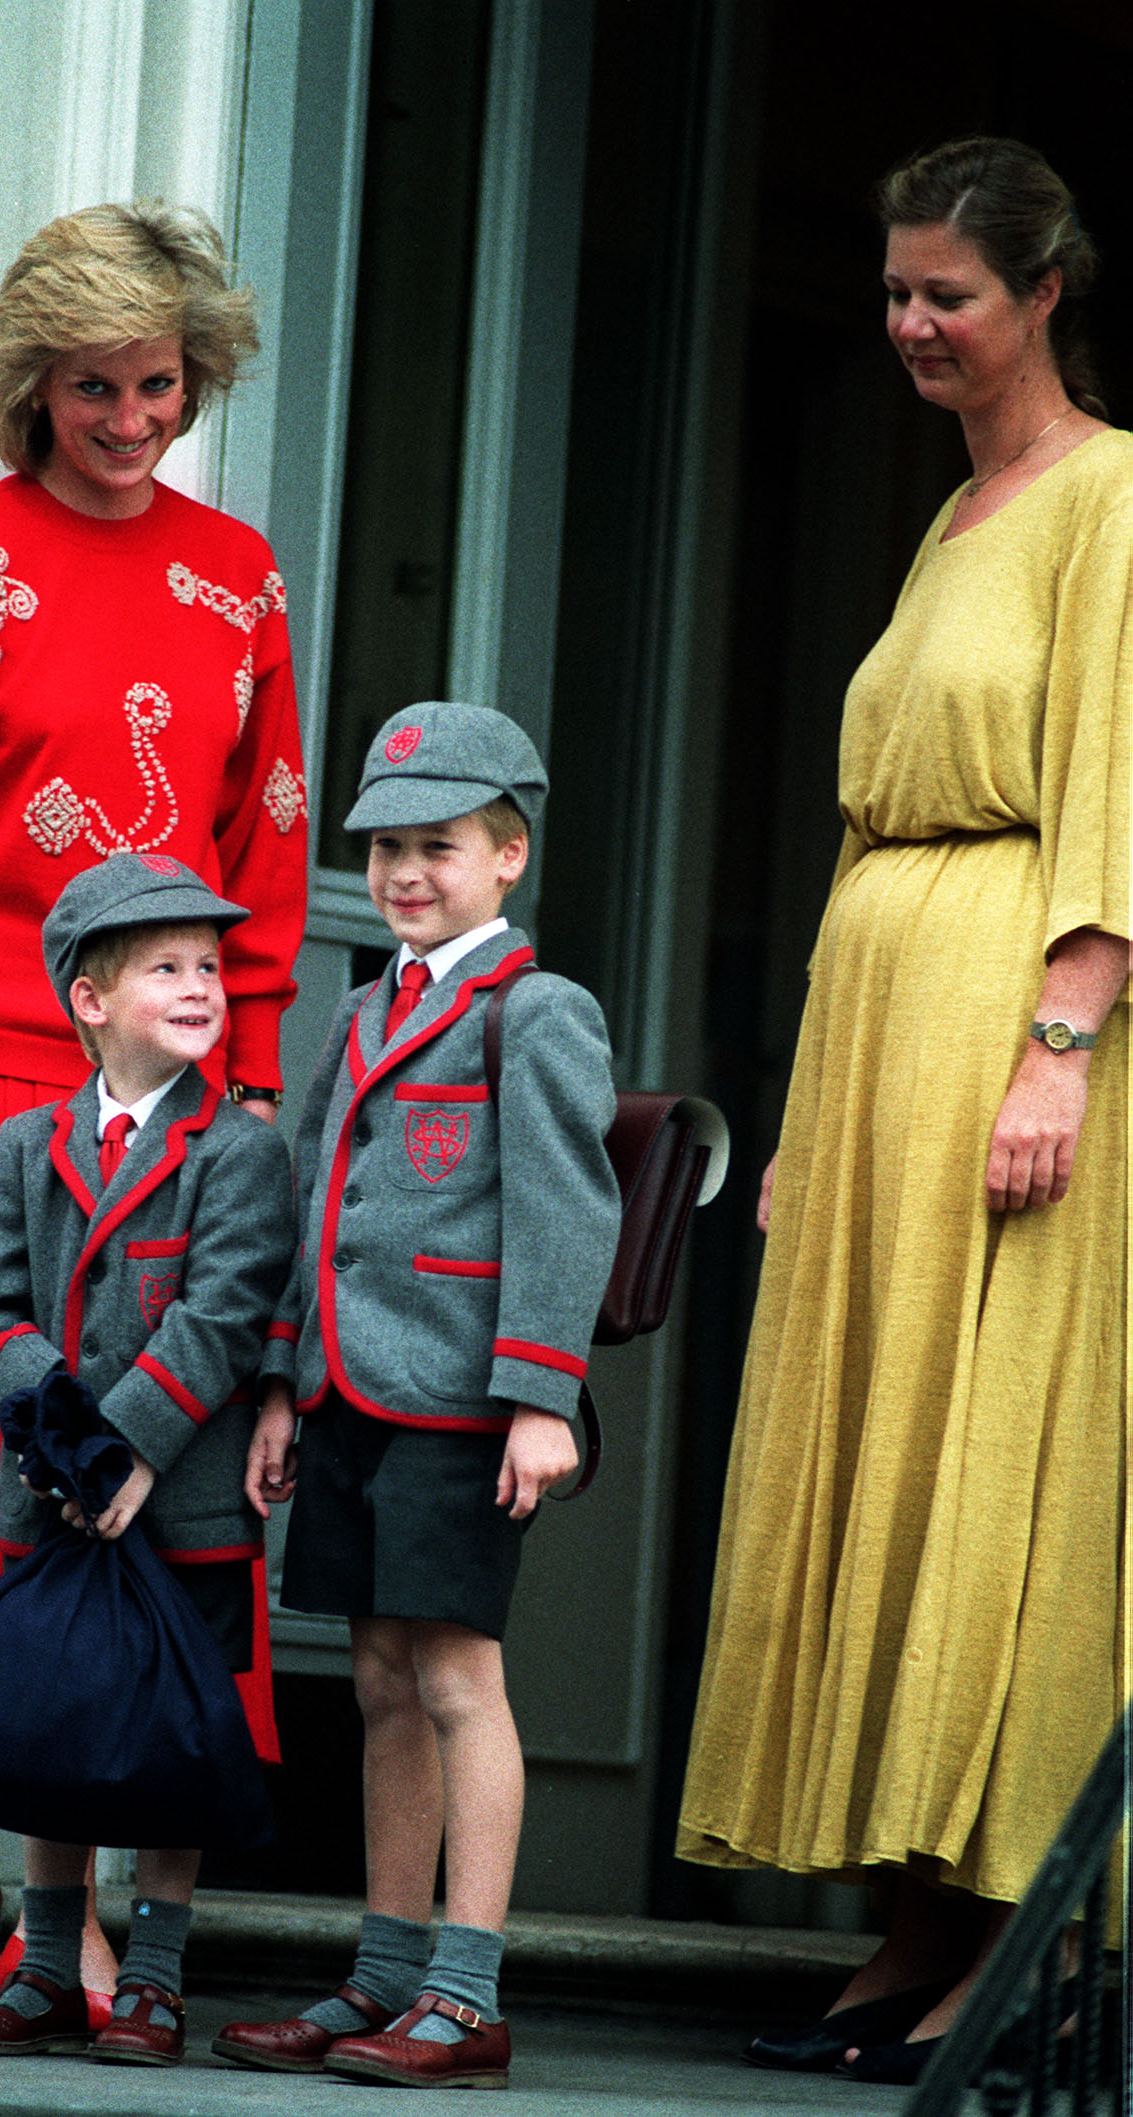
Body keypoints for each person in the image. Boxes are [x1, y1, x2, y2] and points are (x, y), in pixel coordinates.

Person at [0, 202, 306, 2019]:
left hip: (172, 1094)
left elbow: (261, 849)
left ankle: (110, 1906)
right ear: (32, 385)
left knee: (150, 1484)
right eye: (92, 387)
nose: (127, 420)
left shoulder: (237, 577)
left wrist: (241, 1086)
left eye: (157, 385)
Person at [677, 137, 1130, 2086]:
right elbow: (874, 816)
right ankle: (901, 1924)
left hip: (1001, 1015)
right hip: (878, 1033)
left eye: (943, 291)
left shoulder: (1108, 495)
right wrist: (799, 1110)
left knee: (982, 1462)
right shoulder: (952, 515)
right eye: (889, 294)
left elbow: (1115, 771)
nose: (907, 325)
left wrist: (1058, 1035)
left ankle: (1002, 1942)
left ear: (1039, 293)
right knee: (876, 1455)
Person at [213, 703, 623, 2089]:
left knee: (455, 1675)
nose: (402, 873)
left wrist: (541, 1395)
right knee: (379, 1679)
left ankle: (465, 1988)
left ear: (507, 857)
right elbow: (304, 1201)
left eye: (436, 847)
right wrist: (278, 1380)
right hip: (343, 1391)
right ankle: (382, 1977)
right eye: (385, 848)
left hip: (462, 1401)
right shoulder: (358, 1010)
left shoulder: (535, 1011)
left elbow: (567, 1213)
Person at [0, 853, 294, 2066]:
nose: (201, 986)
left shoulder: (236, 1148)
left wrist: (124, 1445)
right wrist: (69, 1449)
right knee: (54, 1726)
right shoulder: (28, 1144)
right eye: (168, 968)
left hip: (180, 1494)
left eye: (211, 967)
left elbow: (224, 1309)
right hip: (53, 1492)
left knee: (172, 1739)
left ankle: (151, 1976)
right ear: (89, 999)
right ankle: (42, 1969)